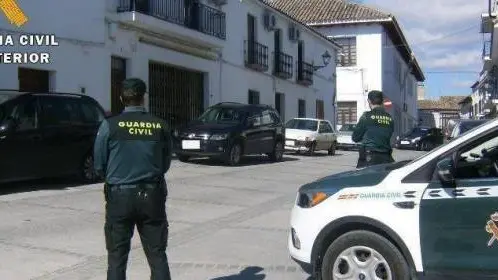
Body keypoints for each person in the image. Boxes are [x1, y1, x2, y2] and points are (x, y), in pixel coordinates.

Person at [93, 78, 172, 280]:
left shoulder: (109, 126)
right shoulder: (160, 126)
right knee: (157, 255)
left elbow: (99, 165)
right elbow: (165, 164)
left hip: (119, 197)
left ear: (121, 98)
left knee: (117, 259)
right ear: (143, 98)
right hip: (152, 196)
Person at [352, 90, 395, 168]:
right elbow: (389, 134)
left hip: (369, 157)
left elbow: (355, 137)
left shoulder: (366, 116)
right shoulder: (390, 118)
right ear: (382, 101)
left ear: (369, 101)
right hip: (386, 157)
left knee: (363, 179)